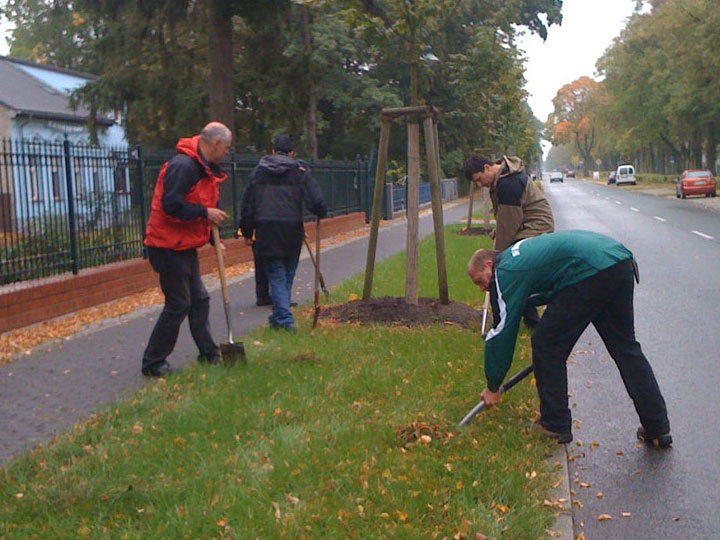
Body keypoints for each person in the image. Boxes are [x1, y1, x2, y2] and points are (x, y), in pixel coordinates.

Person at [467, 230, 672, 447]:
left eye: (480, 281)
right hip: (618, 262)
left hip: (589, 271)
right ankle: (657, 427)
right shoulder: (517, 258)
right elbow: (545, 291)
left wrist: (493, 385)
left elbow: (502, 332)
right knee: (626, 350)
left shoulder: (505, 272)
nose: (482, 289)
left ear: (489, 265)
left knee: (547, 345)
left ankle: (554, 424)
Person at [141, 122, 232, 377]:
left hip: (184, 246)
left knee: (199, 300)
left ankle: (209, 353)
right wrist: (205, 212)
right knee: (179, 304)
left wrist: (213, 239)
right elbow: (171, 207)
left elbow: (202, 208)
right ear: (216, 144)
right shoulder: (183, 167)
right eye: (227, 147)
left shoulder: (205, 169)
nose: (227, 152)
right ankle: (153, 363)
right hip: (167, 247)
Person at [240, 135, 327, 331]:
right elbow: (317, 202)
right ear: (292, 153)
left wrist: (247, 230)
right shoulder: (299, 173)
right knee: (286, 274)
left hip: (266, 230)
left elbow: (248, 204)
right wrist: (320, 211)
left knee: (277, 274)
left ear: (273, 151)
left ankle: (280, 317)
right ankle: (285, 319)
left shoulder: (259, 173)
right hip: (292, 230)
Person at [463, 155, 554, 328]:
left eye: (479, 179)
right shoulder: (501, 179)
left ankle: (505, 324)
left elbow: (509, 225)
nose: (480, 185)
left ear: (487, 167)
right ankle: (530, 322)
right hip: (526, 224)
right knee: (516, 275)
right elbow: (508, 217)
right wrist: (498, 232)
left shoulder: (508, 183)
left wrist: (496, 259)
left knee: (506, 270)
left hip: (537, 227)